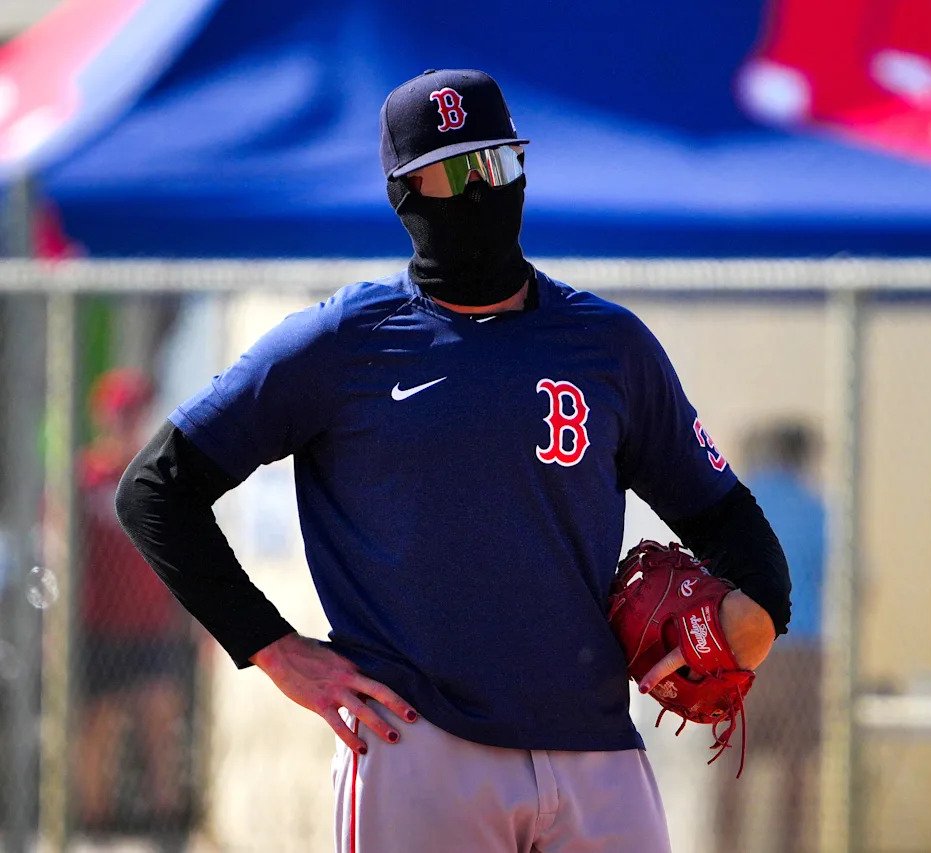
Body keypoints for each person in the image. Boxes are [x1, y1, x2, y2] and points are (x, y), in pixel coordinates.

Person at [115, 68, 791, 852]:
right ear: (404, 194)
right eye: (456, 170)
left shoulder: (609, 345)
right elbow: (156, 489)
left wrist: (761, 613)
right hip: (417, 743)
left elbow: (721, 511)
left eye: (496, 162)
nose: (482, 188)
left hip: (598, 746)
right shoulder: (343, 342)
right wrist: (272, 646)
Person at [76, 368, 193, 833]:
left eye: (136, 415)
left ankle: (165, 818)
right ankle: (95, 819)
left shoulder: (155, 475)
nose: (127, 425)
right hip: (97, 623)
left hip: (150, 624)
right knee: (97, 725)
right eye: (120, 416)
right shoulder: (85, 477)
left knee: (159, 718)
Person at [715, 421, 827, 853]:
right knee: (795, 768)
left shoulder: (737, 505)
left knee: (731, 762)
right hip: (801, 652)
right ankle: (790, 846)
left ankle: (724, 845)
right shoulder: (816, 508)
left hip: (737, 651)